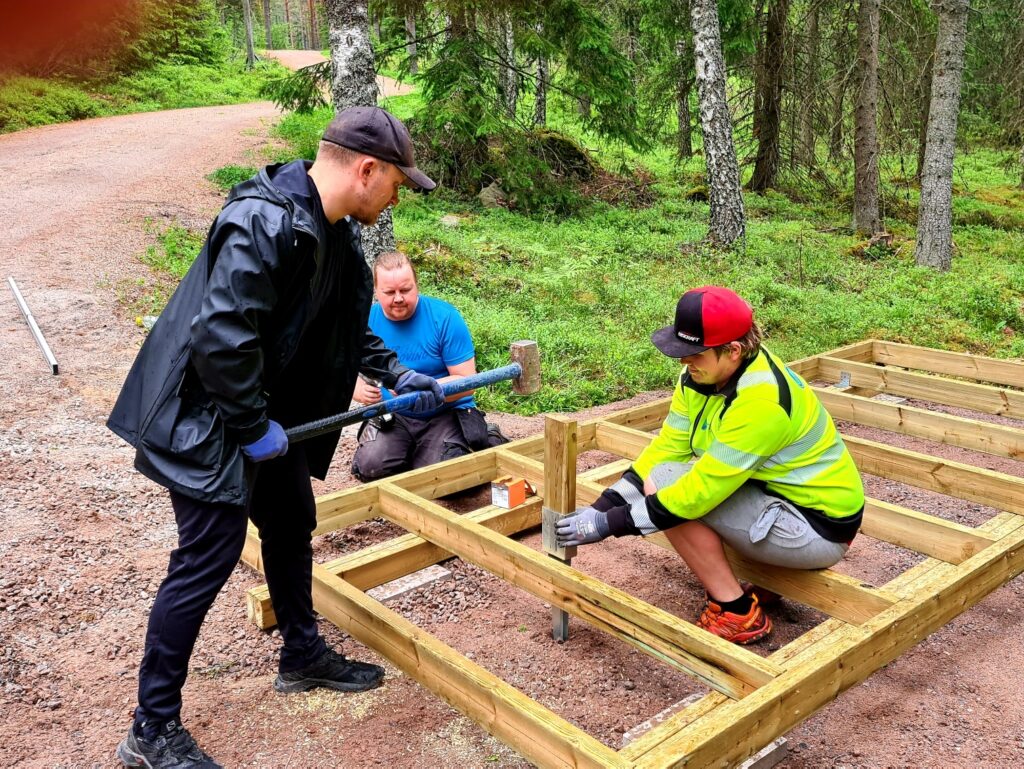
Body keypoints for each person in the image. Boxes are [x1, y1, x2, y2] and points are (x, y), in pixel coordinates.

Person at [107, 106, 445, 769]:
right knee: (206, 556)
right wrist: (251, 425)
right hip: (207, 418)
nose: (398, 195)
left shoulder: (336, 235)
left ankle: (301, 652)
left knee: (291, 520)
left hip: (266, 417)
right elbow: (220, 337)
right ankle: (150, 729)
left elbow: (344, 327)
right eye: (398, 183)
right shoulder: (263, 221)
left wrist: (397, 369)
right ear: (367, 170)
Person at [556, 286, 864, 645]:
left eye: (694, 355)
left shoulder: (762, 402)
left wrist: (609, 525)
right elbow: (670, 446)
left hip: (817, 529)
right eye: (682, 354)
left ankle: (735, 611)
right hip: (775, 497)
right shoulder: (702, 376)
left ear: (733, 350)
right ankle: (763, 582)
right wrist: (605, 504)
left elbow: (697, 493)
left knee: (670, 487)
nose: (684, 363)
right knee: (668, 478)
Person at [350, 250, 508, 481]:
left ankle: (481, 436)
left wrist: (424, 389)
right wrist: (355, 388)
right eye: (389, 292)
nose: (398, 298)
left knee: (450, 480)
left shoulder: (444, 318)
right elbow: (342, 364)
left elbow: (467, 383)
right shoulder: (366, 322)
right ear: (375, 291)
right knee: (371, 469)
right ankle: (412, 452)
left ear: (417, 285)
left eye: (405, 290)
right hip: (395, 415)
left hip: (445, 412)